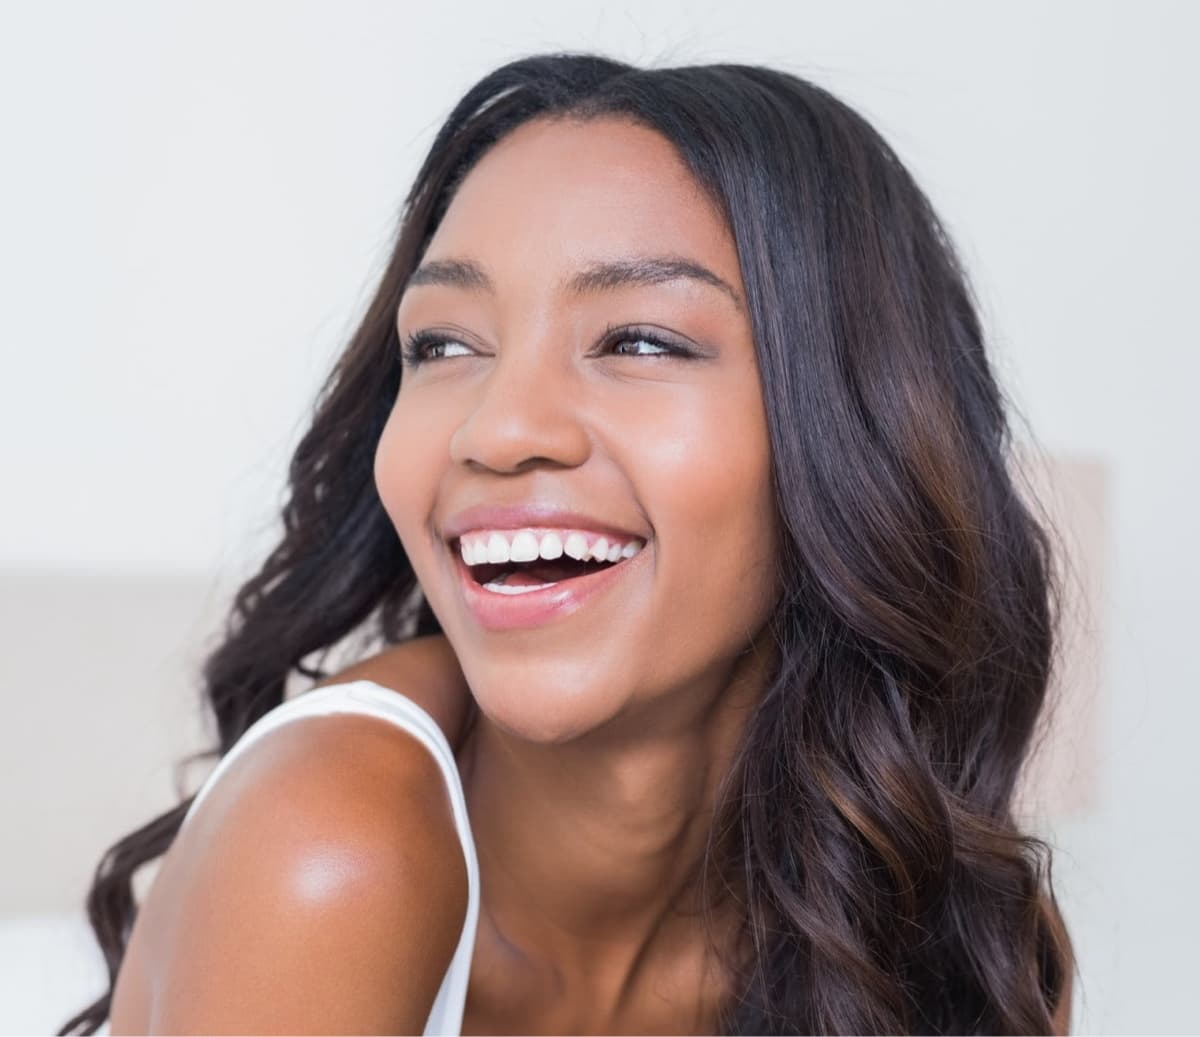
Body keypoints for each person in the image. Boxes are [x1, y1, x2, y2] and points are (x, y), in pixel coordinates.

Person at [61, 52, 1074, 1035]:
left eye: (639, 340)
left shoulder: (960, 936)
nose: (498, 430)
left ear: (857, 428)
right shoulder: (329, 848)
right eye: (444, 344)